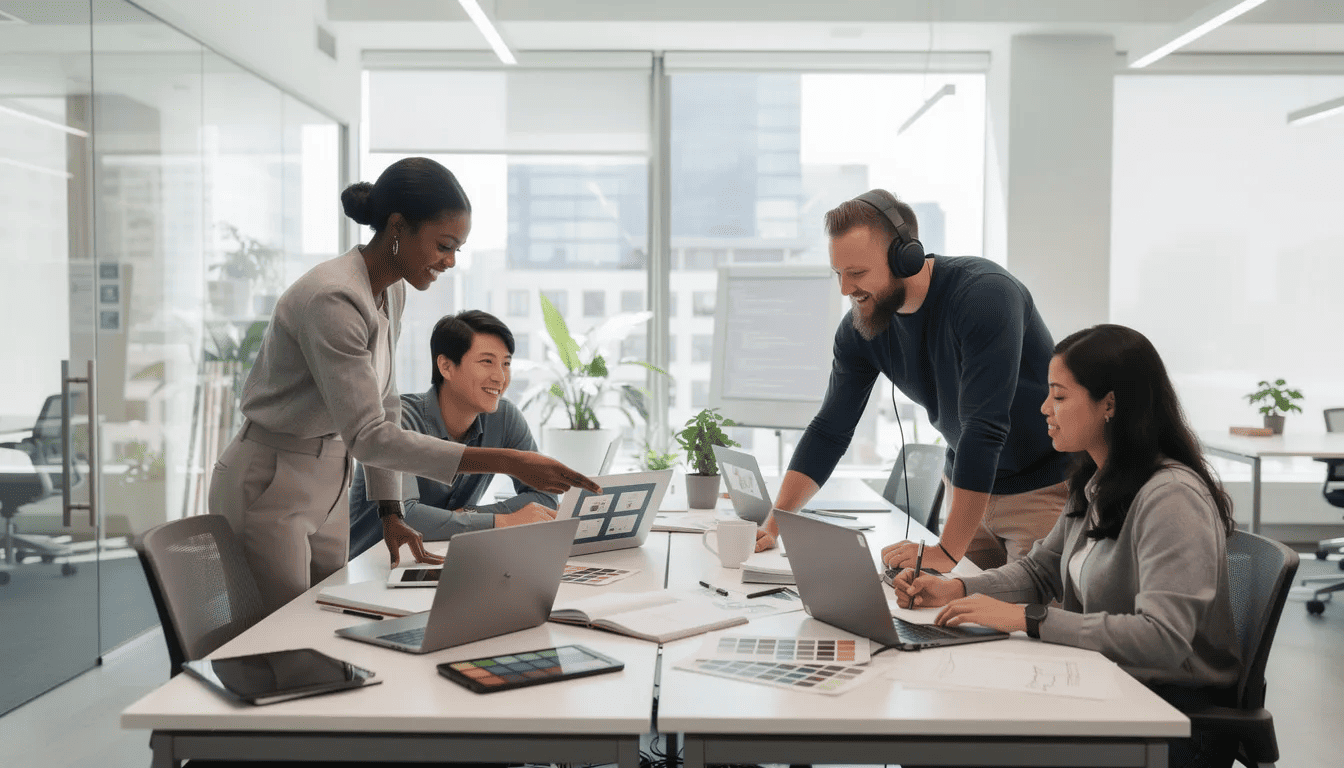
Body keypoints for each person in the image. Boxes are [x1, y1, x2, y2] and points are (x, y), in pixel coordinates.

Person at [209, 157, 599, 612]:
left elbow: (385, 404)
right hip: (273, 476)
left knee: (319, 617)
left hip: (330, 472)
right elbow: (369, 435)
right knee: (279, 631)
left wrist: (390, 511)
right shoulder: (334, 298)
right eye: (444, 245)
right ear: (397, 227)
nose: (450, 262)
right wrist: (508, 461)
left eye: (458, 249)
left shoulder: (391, 289)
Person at [895, 324, 1240, 768]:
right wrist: (956, 589)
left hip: (1171, 719)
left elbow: (1161, 638)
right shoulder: (1097, 482)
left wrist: (1030, 618)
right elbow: (1039, 570)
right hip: (1107, 688)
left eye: (1058, 396)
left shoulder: (1171, 498)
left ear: (1109, 404)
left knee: (951, 740)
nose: (1044, 408)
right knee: (944, 719)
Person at [755, 189, 1070, 573]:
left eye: (857, 273)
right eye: (839, 273)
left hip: (1039, 491)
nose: (845, 289)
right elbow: (829, 431)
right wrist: (774, 526)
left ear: (905, 258)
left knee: (1026, 609)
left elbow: (983, 428)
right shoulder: (861, 329)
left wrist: (946, 552)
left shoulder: (985, 296)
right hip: (966, 493)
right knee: (949, 606)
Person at [347, 310, 558, 558]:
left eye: (506, 364)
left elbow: (545, 496)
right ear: (446, 366)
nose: (500, 377)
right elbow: (407, 516)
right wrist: (499, 521)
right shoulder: (396, 421)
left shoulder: (503, 417)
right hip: (371, 564)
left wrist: (470, 515)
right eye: (487, 362)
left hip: (440, 560)